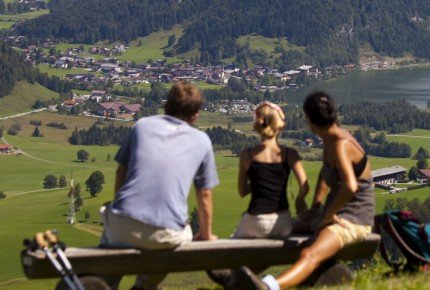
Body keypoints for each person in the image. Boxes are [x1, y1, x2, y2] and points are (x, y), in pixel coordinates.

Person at [238, 92, 374, 290]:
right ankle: (239, 278)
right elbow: (324, 176)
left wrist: (329, 215)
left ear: (310, 120)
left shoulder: (341, 144)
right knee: (282, 237)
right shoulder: (330, 139)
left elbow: (350, 186)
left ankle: (268, 287)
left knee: (310, 253)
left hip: (353, 221)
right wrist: (316, 206)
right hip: (334, 216)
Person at [99, 81, 219, 290]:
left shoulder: (142, 126)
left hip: (122, 224)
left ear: (167, 105)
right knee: (178, 238)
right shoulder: (201, 141)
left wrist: (120, 205)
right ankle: (145, 285)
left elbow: (121, 172)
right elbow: (205, 194)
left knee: (111, 224)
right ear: (196, 114)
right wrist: (206, 234)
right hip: (166, 232)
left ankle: (107, 284)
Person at [232, 101, 309, 239]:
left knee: (233, 243)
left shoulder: (247, 155)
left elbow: (242, 191)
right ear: (280, 125)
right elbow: (305, 186)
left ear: (257, 125)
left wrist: (259, 184)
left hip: (255, 220)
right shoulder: (290, 154)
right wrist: (300, 200)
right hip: (282, 221)